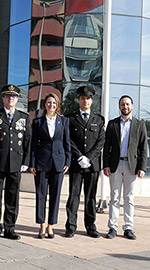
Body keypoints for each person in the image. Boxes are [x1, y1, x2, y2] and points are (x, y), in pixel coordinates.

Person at [0, 84, 31, 240]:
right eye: (8, 96)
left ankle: (10, 228)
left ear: (17, 99)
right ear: (3, 98)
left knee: (12, 198)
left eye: (14, 96)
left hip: (16, 162)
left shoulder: (23, 117)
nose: (11, 98)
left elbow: (27, 142)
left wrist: (26, 161)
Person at [103, 95, 147, 240]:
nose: (125, 107)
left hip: (132, 166)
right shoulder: (112, 124)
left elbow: (142, 148)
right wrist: (106, 165)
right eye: (122, 104)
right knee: (114, 197)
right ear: (119, 106)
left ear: (132, 106)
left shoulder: (140, 125)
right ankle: (113, 227)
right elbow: (107, 146)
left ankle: (128, 227)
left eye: (127, 104)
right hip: (115, 165)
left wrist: (142, 167)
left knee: (129, 198)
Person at [65, 86, 105, 238]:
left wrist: (88, 157)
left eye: (88, 98)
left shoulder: (99, 119)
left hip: (92, 165)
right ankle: (71, 225)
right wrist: (79, 157)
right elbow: (68, 140)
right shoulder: (70, 118)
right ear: (78, 100)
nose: (85, 101)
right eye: (82, 98)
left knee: (91, 197)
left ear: (92, 101)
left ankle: (90, 225)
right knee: (73, 196)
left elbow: (101, 141)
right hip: (76, 164)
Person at [30, 93, 71, 239]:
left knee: (56, 195)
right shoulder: (37, 122)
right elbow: (34, 144)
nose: (51, 105)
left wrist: (68, 161)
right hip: (42, 162)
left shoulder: (64, 121)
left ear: (57, 105)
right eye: (48, 102)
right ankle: (41, 225)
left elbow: (67, 143)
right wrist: (32, 163)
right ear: (44, 105)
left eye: (54, 103)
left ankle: (51, 225)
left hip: (59, 163)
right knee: (41, 195)